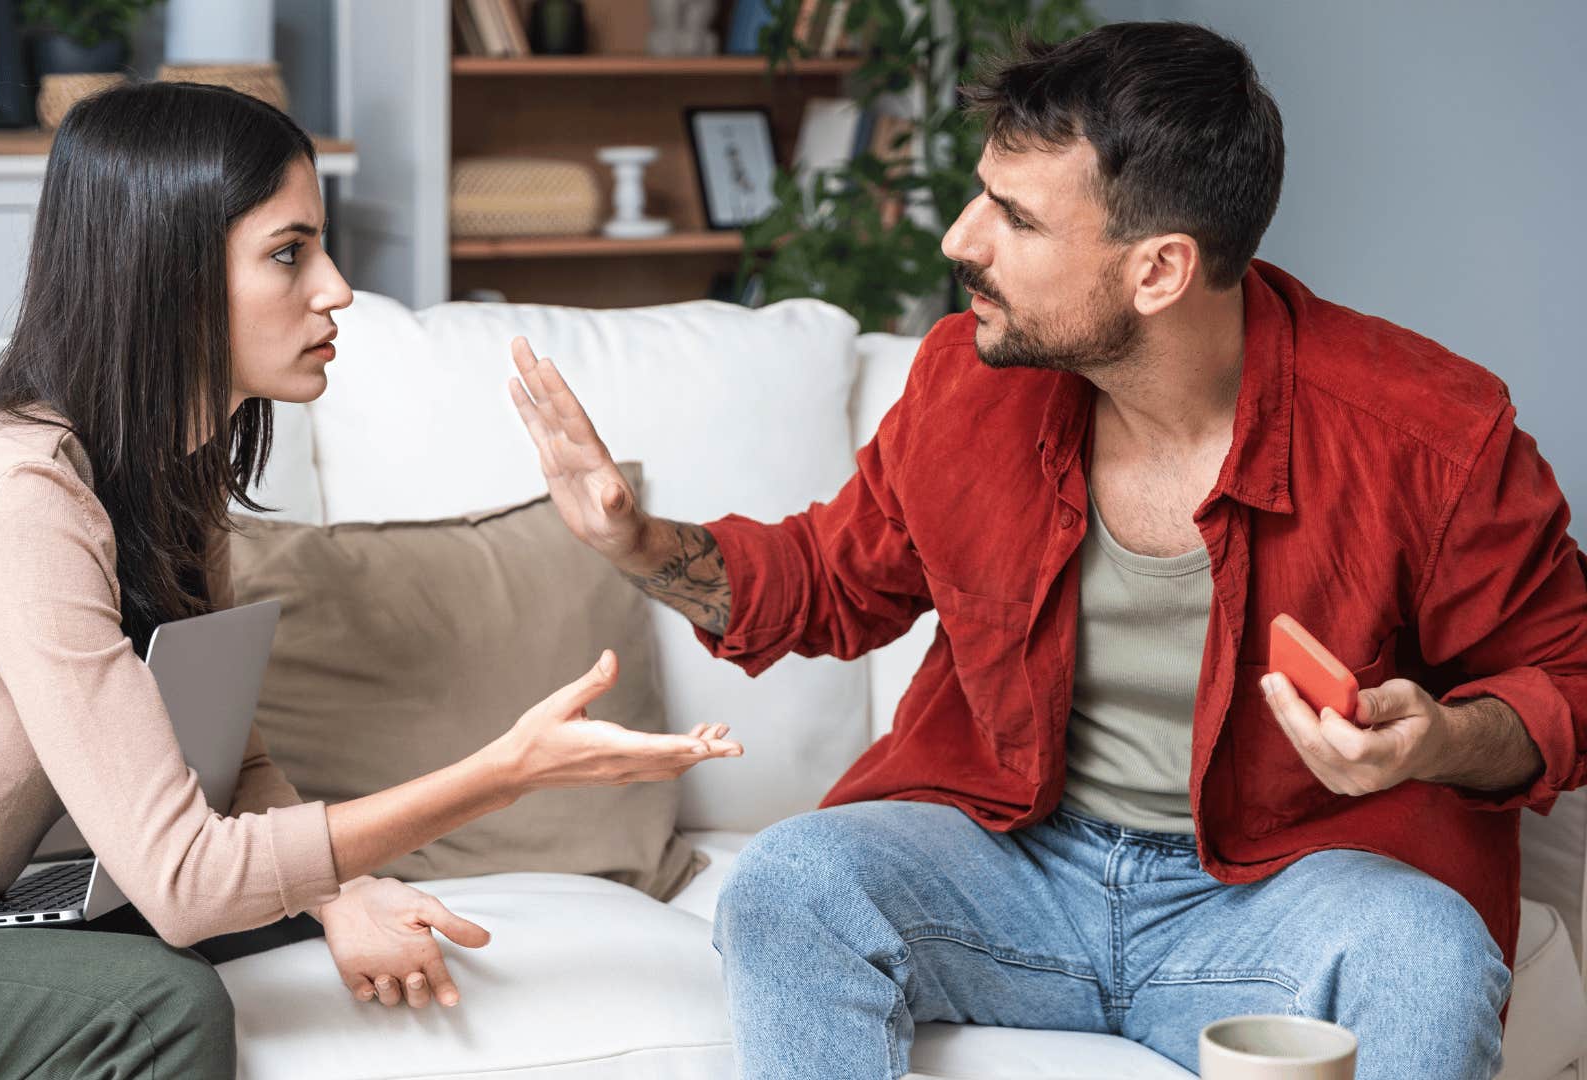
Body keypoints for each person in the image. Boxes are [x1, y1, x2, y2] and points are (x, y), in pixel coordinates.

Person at [508, 20, 1587, 1080]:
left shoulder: (1431, 435)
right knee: (791, 881)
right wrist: (636, 540)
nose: (960, 240)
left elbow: (1566, 685)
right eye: (983, 194)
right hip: (1016, 864)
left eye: (1014, 219)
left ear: (1159, 270)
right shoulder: (965, 383)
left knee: (1428, 954)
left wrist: (1436, 739)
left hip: (1284, 889)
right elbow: (830, 581)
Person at [0, 82, 741, 1080]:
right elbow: (184, 881)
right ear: (169, 274)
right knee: (156, 1008)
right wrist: (504, 772)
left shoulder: (168, 472)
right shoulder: (18, 494)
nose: (338, 289)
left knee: (256, 911)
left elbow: (231, 757)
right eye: (290, 253)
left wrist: (343, 893)